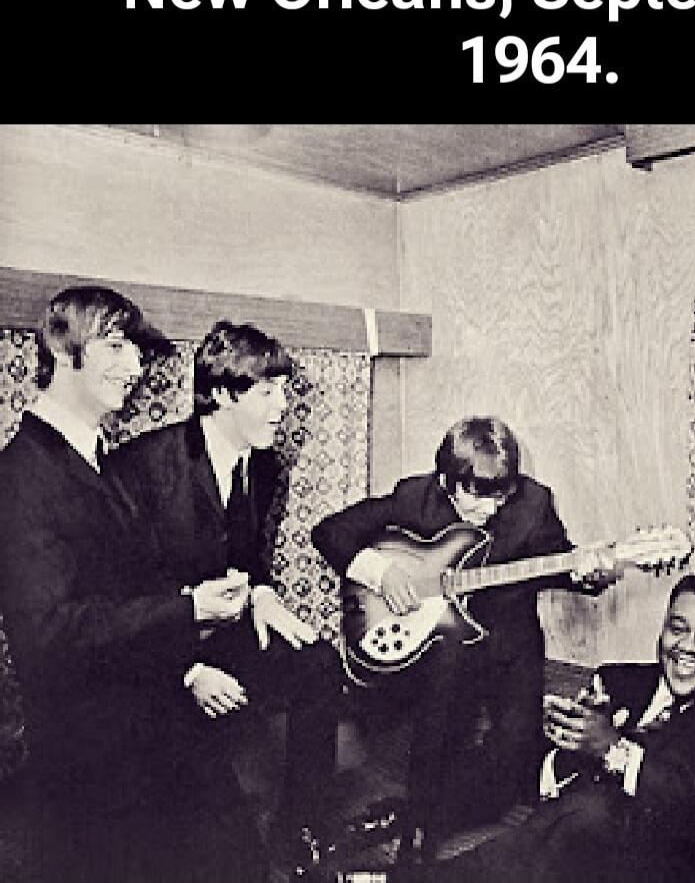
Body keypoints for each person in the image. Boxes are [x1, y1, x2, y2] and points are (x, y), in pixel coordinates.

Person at [0, 287, 264, 883]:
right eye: (116, 348)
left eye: (136, 351)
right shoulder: (20, 477)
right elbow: (50, 632)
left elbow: (126, 587)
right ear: (61, 350)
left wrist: (188, 662)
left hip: (148, 718)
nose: (136, 367)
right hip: (91, 759)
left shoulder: (95, 460)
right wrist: (185, 609)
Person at [312, 416, 615, 854]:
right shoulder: (414, 497)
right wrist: (384, 572)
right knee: (440, 721)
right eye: (476, 497)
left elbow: (561, 563)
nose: (490, 509)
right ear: (445, 479)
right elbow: (330, 533)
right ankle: (417, 831)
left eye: (501, 495)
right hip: (441, 647)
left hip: (509, 640)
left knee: (515, 754)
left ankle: (445, 813)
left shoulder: (533, 504)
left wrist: (590, 574)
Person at [105, 319, 345, 862]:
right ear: (218, 395)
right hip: (153, 656)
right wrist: (187, 672)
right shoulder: (141, 467)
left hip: (222, 635)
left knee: (318, 663)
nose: (282, 406)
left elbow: (247, 558)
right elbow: (120, 602)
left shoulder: (262, 464)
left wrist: (261, 592)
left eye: (282, 390)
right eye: (266, 392)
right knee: (210, 845)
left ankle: (300, 827)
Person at [382, 574, 695, 883]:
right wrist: (565, 745)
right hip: (576, 851)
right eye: (677, 628)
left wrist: (613, 749)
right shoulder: (620, 681)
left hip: (680, 867)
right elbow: (545, 780)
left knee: (593, 813)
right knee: (512, 777)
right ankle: (387, 834)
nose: (687, 647)